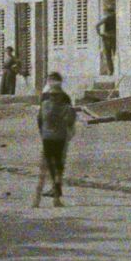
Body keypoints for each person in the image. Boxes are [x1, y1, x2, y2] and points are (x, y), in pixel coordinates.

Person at [35, 70, 77, 207]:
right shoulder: (64, 99)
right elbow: (71, 118)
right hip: (59, 137)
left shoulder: (45, 99)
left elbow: (39, 118)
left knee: (47, 167)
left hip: (49, 137)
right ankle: (56, 195)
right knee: (57, 166)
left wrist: (42, 132)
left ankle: (39, 199)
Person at [96, 9, 118, 76]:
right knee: (115, 54)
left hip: (106, 37)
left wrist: (100, 34)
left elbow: (97, 25)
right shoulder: (116, 19)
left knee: (108, 55)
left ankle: (111, 71)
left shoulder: (107, 18)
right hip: (114, 37)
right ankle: (116, 70)